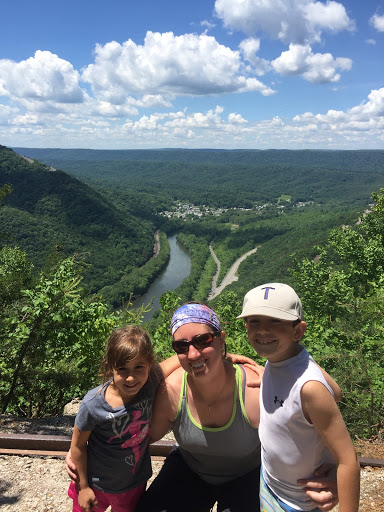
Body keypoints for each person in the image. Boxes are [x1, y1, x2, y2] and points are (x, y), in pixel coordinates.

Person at [67, 304, 339, 512]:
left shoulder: (256, 385)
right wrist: (82, 456)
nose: (193, 353)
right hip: (190, 469)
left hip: (247, 475)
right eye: (182, 346)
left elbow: (321, 407)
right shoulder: (169, 392)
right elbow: (131, 436)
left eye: (203, 341)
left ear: (220, 339)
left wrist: (333, 467)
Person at [237, 283, 360, 512]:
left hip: (298, 501)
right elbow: (337, 393)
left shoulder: (309, 388)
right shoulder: (280, 356)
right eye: (254, 321)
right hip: (270, 482)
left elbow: (348, 460)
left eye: (275, 321)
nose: (263, 330)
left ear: (298, 331)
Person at [68, 325, 181, 512]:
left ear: (150, 363)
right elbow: (78, 445)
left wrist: (222, 358)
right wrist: (84, 487)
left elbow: (187, 357)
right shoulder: (93, 404)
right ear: (110, 366)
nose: (131, 378)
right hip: (96, 484)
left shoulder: (151, 379)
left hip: (133, 485)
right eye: (122, 369)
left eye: (138, 367)